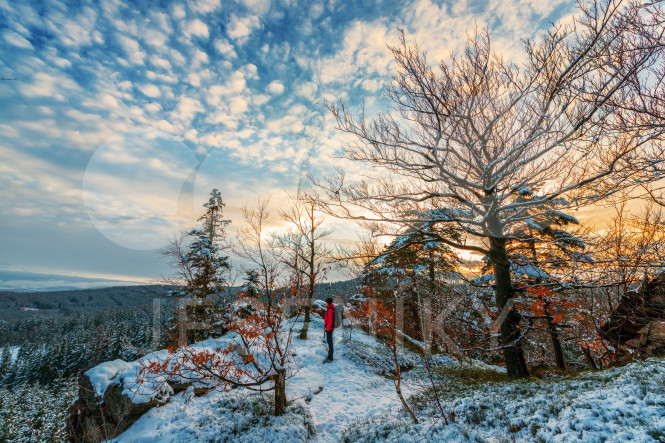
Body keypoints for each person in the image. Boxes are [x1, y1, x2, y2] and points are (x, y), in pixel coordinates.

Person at [323, 297, 335, 363]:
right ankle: (329, 356)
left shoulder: (330, 310)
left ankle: (330, 357)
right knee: (329, 341)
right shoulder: (329, 309)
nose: (325, 303)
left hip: (329, 328)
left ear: (328, 303)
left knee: (330, 342)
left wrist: (327, 329)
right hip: (329, 328)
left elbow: (330, 320)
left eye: (326, 302)